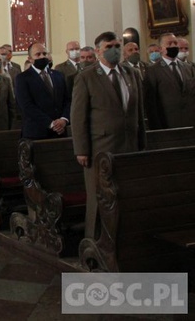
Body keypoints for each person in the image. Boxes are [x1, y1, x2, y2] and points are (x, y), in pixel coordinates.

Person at [71, 31, 145, 239]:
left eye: (117, 46)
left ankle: (123, 239)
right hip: (100, 147)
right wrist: (81, 150)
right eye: (109, 47)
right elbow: (78, 117)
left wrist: (141, 141)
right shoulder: (86, 77)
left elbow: (137, 111)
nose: (114, 51)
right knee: (98, 198)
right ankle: (94, 241)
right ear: (98, 52)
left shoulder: (130, 73)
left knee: (125, 195)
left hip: (128, 144)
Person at [14, 43, 70, 140]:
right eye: (38, 54)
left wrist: (63, 120)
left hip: (60, 132)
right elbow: (27, 106)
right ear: (30, 59)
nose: (42, 56)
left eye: (45, 53)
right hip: (36, 133)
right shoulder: (22, 78)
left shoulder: (58, 75)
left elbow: (67, 100)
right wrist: (51, 124)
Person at [143, 32, 195, 130]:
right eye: (169, 44)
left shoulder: (189, 68)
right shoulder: (153, 70)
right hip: (167, 124)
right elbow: (151, 103)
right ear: (160, 49)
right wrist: (157, 128)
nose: (173, 46)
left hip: (190, 123)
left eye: (175, 43)